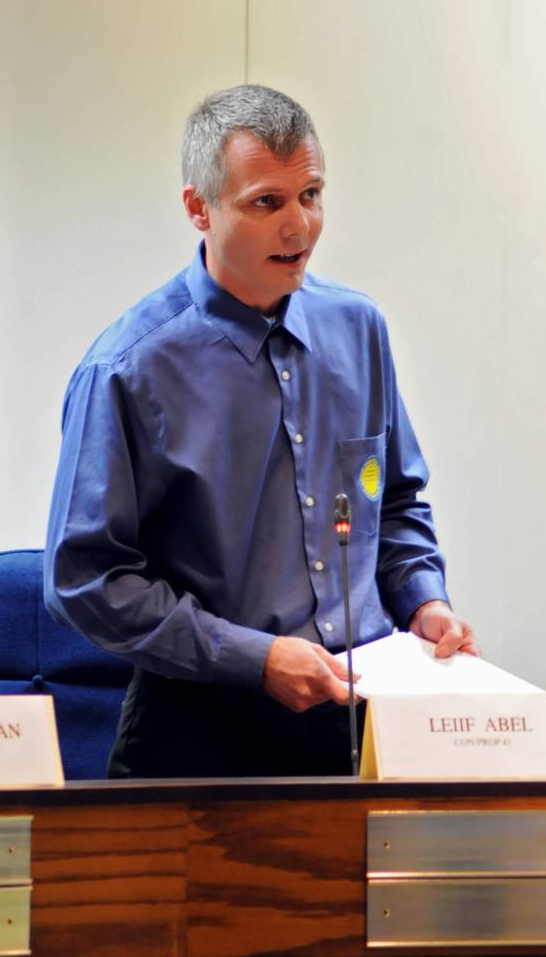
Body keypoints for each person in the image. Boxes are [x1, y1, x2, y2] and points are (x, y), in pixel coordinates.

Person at [44, 84, 478, 778]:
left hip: (363, 724)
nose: (299, 227)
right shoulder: (127, 368)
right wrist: (256, 658)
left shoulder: (358, 328)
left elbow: (394, 504)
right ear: (199, 208)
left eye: (311, 195)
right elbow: (85, 579)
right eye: (266, 202)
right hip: (201, 736)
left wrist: (423, 599)